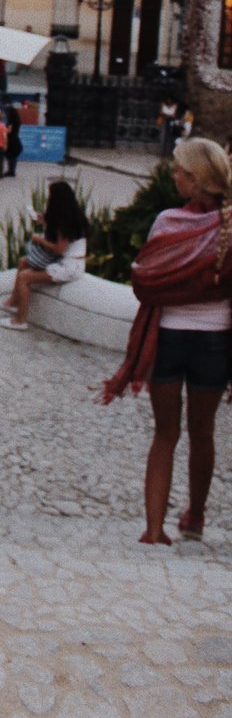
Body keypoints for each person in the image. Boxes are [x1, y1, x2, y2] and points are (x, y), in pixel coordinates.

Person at [103, 138, 232, 545]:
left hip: (168, 338)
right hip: (216, 341)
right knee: (203, 431)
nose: (173, 175)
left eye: (179, 170)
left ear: (194, 180)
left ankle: (154, 529)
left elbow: (145, 279)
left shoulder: (169, 222)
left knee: (165, 433)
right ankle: (194, 516)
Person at [0, 181, 88, 331]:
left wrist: (38, 239)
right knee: (23, 262)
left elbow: (59, 249)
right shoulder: (72, 215)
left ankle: (20, 320)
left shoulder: (64, 222)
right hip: (69, 262)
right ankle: (13, 302)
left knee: (24, 277)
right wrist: (44, 219)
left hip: (69, 266)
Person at [5, 103, 23, 178]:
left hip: (11, 140)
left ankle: (10, 171)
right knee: (13, 157)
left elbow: (8, 131)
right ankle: (12, 171)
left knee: (10, 156)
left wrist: (2, 129)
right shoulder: (17, 121)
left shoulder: (11, 121)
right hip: (15, 139)